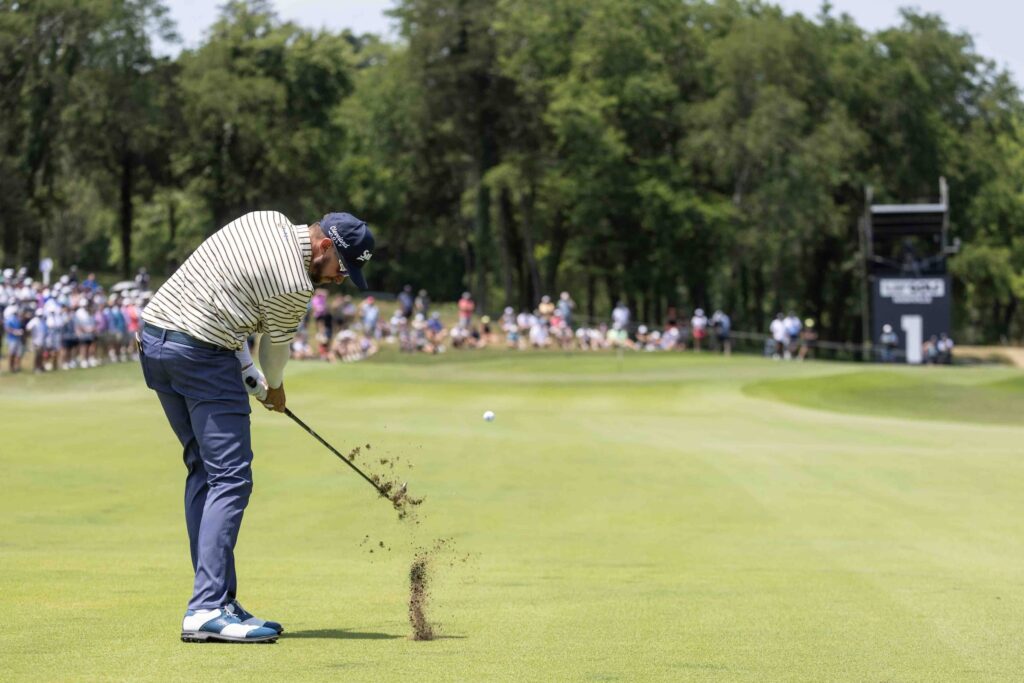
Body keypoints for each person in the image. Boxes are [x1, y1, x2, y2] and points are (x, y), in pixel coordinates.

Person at [139, 210, 375, 644]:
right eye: (343, 267)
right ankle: (207, 607)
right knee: (231, 477)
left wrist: (251, 377)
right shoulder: (294, 283)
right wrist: (275, 389)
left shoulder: (264, 219)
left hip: (155, 340)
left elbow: (228, 302)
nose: (342, 279)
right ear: (325, 247)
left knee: (205, 471)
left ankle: (219, 600)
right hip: (199, 356)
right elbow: (275, 353)